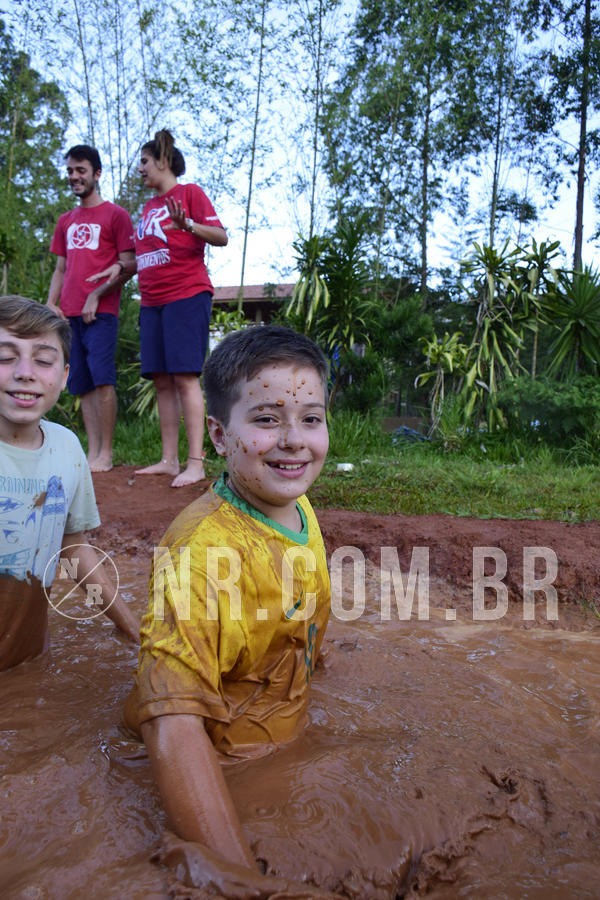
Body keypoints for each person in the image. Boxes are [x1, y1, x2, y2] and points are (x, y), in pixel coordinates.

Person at [125, 325, 331, 880]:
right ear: (218, 435)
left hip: (285, 733)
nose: (294, 440)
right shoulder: (199, 553)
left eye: (311, 419)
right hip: (231, 764)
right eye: (266, 419)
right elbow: (172, 719)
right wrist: (239, 876)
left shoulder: (298, 504)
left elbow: (299, 623)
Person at [0, 296, 139, 672]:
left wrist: (131, 627)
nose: (25, 373)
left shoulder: (66, 447)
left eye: (42, 361)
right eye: (5, 357)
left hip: (27, 659)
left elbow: (72, 549)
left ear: (63, 375)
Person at [134, 129, 228, 488]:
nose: (140, 169)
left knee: (186, 377)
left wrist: (187, 224)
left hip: (186, 294)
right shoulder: (147, 208)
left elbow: (221, 236)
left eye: (144, 161)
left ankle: (195, 463)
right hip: (151, 300)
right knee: (161, 380)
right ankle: (169, 460)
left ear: (162, 160)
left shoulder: (190, 193)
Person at [47, 144, 135, 473]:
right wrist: (50, 303)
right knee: (80, 382)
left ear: (96, 173)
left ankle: (107, 453)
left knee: (102, 379)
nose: (74, 176)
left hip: (101, 311)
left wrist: (97, 294)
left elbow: (128, 265)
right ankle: (93, 451)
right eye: (70, 170)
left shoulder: (116, 215)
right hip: (68, 313)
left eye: (81, 170)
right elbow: (60, 267)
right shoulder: (66, 220)